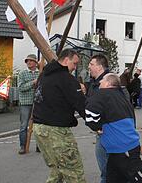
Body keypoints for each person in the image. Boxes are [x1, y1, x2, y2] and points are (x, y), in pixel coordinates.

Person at [85, 73, 142, 183]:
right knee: (113, 179)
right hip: (122, 149)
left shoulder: (103, 94)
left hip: (124, 150)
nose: (100, 82)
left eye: (103, 80)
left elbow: (90, 112)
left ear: (109, 83)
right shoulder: (121, 96)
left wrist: (96, 127)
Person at [32, 49, 86, 183]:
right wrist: (97, 125)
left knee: (57, 170)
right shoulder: (67, 79)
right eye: (74, 63)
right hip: (57, 131)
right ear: (66, 60)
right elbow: (81, 105)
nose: (75, 67)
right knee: (74, 171)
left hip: (39, 128)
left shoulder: (44, 75)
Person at [84, 54, 110, 183]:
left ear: (100, 67)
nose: (89, 67)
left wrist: (98, 126)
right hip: (102, 131)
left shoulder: (107, 83)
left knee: (107, 170)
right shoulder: (95, 83)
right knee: (106, 169)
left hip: (106, 131)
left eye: (92, 64)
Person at [17, 54, 39, 155]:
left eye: (31, 61)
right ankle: (23, 146)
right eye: (27, 61)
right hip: (25, 103)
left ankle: (39, 146)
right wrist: (33, 83)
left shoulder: (40, 73)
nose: (28, 62)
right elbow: (21, 88)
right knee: (24, 125)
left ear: (35, 62)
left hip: (38, 103)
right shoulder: (22, 74)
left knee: (39, 125)